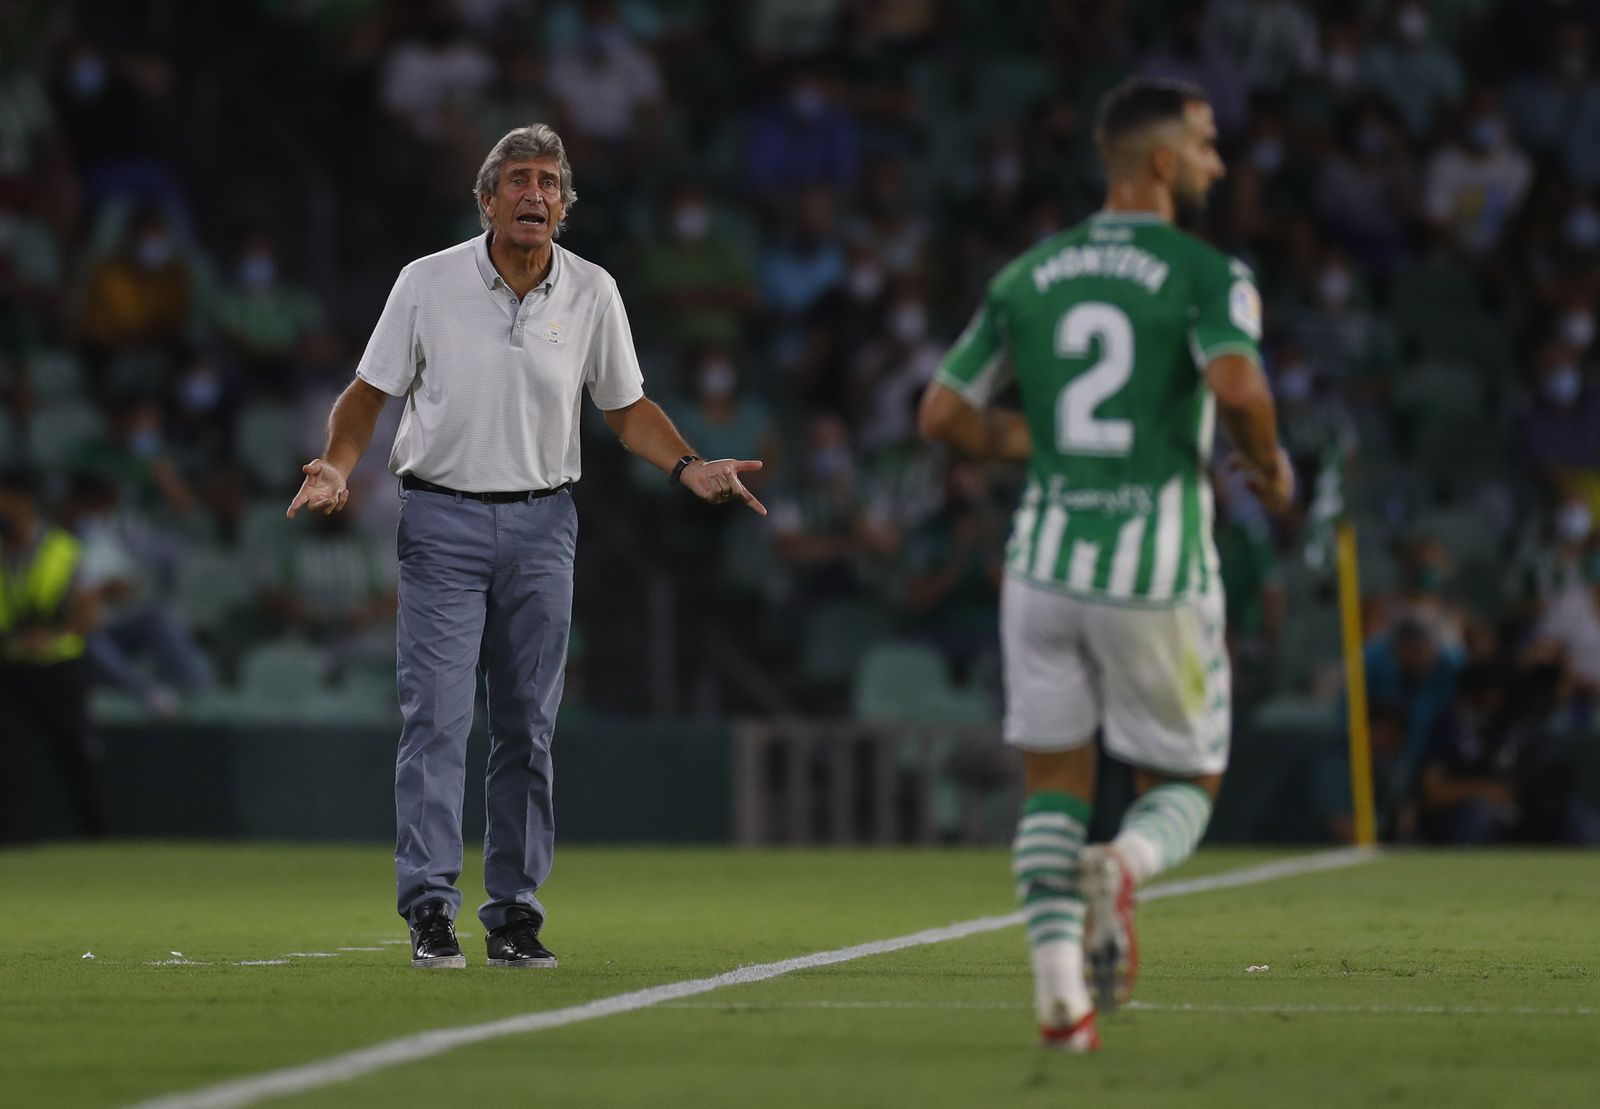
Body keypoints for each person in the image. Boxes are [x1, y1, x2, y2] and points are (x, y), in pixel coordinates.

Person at [285, 124, 765, 970]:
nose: (534, 194)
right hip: (442, 520)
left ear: (566, 207)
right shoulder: (426, 283)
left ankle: (512, 912)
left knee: (527, 727)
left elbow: (624, 407)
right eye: (518, 180)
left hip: (546, 523)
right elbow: (368, 395)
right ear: (487, 199)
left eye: (549, 182)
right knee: (436, 718)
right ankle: (430, 906)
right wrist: (336, 464)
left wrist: (687, 464)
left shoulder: (593, 291)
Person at [918, 78, 1295, 1052]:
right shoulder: (1206, 270)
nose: (1217, 162)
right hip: (1153, 570)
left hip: (1041, 565)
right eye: (1207, 145)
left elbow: (942, 415)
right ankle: (1121, 866)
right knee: (1188, 779)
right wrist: (1266, 465)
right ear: (1162, 162)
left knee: (1053, 779)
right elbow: (1238, 383)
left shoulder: (1027, 273)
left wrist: (1036, 443)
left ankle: (1060, 997)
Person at [0, 464, 109, 843]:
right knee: (8, 763)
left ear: (21, 501)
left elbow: (88, 612)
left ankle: (99, 842)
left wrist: (49, 637)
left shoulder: (62, 548)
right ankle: (13, 846)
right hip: (10, 669)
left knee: (79, 756)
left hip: (59, 667)